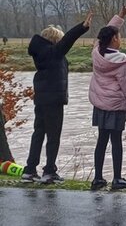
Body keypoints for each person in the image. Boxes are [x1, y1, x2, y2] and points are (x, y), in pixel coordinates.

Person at [20, 12, 92, 184]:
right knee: (53, 136)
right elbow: (68, 40)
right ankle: (49, 171)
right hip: (53, 100)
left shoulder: (42, 53)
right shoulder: (54, 53)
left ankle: (30, 170)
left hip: (42, 99)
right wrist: (82, 27)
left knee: (38, 133)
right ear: (54, 40)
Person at [89, 6, 126, 191]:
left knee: (101, 140)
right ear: (114, 39)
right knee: (116, 141)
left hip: (100, 104)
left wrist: (120, 16)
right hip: (116, 105)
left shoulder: (96, 53)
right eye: (119, 36)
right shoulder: (122, 60)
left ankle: (98, 178)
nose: (120, 38)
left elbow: (105, 33)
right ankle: (117, 178)